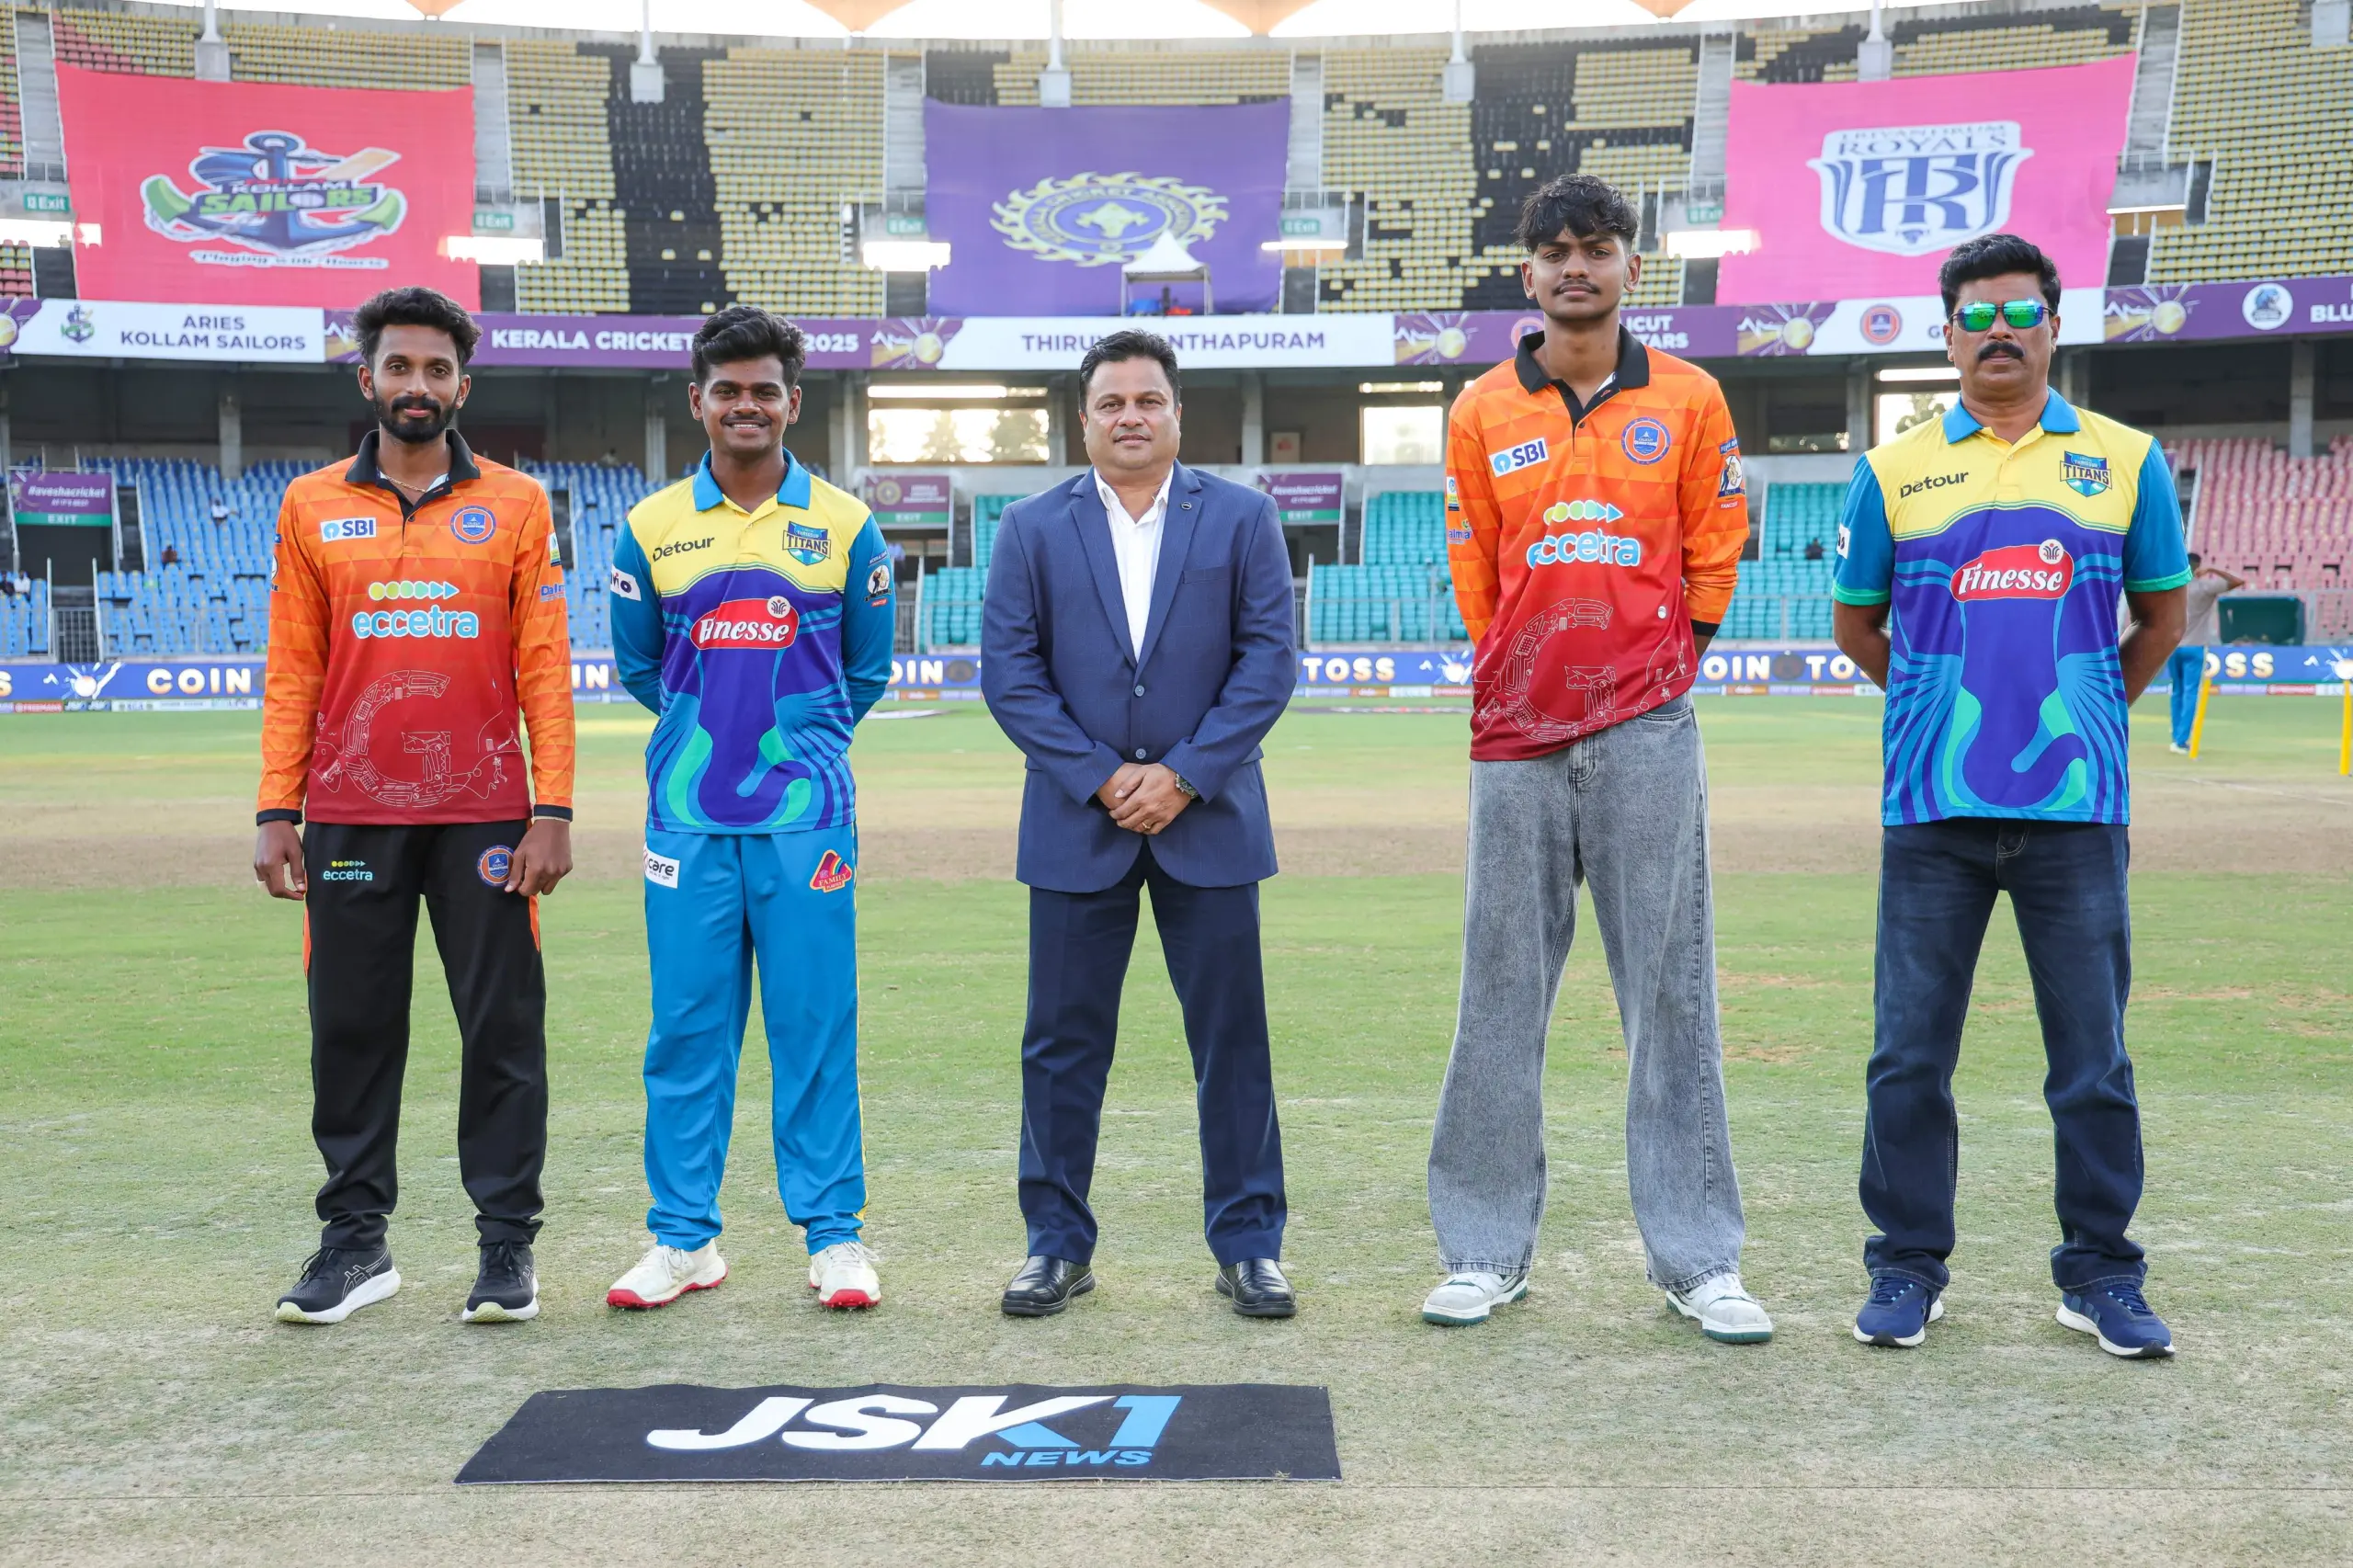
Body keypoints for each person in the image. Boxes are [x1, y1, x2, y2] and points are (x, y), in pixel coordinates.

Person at [1424, 173, 1768, 1346]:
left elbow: (1716, 546)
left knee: (1670, 989)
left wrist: (1656, 672)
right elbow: (1476, 567)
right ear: (1527, 272)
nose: (1577, 267)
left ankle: (1699, 1258)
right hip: (1515, 732)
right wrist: (1523, 675)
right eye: (1556, 251)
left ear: (1630, 264)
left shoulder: (1690, 396)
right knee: (1497, 990)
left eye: (1598, 247)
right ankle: (1480, 1251)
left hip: (1646, 729)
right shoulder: (1480, 408)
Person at [1831, 233, 2188, 1358]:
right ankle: (1905, 1264)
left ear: (2052, 326)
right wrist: (1933, 707)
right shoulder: (1892, 469)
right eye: (1977, 315)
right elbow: (1856, 624)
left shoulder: (2125, 459)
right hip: (1930, 814)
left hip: (2076, 815)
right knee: (1907, 1056)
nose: (1999, 331)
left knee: (2093, 1061)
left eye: (2020, 313)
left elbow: (2162, 618)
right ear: (1947, 335)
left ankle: (2100, 1271)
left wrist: (2089, 713)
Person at [254, 285, 575, 1327]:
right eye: (400, 366)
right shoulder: (310, 505)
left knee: (501, 1030)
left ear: (462, 387)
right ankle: (357, 1244)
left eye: (438, 369)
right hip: (351, 810)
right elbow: (294, 668)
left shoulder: (518, 504)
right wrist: (276, 807)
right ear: (368, 378)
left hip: (487, 816)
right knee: (350, 1029)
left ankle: (506, 1244)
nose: (418, 385)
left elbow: (544, 666)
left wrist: (554, 806)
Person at [981, 329, 1298, 1319]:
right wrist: (1104, 778)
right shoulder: (1029, 527)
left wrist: (1186, 776)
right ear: (1083, 420)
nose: (1131, 416)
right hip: (1077, 827)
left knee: (1231, 1044)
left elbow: (1267, 663)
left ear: (1176, 413)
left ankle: (1249, 1246)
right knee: (1060, 1047)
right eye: (1111, 402)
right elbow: (1011, 676)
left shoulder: (1243, 517)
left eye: (1147, 400)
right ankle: (1054, 1245)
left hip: (1212, 822)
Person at [603, 307, 895, 1313]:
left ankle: (835, 1237)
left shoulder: (846, 526)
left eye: (763, 389)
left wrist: (791, 750)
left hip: (806, 822)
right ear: (698, 401)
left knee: (814, 1026)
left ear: (791, 402)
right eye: (726, 389)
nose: (745, 405)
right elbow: (643, 667)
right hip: (686, 820)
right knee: (687, 1031)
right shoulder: (650, 527)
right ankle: (684, 1238)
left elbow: (865, 672)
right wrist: (712, 742)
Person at [2166, 553, 2245, 753]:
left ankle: (2175, 735)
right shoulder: (2204, 587)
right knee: (2190, 692)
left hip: (2172, 646)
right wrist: (2212, 570)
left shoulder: (2172, 588)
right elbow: (2238, 581)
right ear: (2198, 566)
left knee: (2177, 691)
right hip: (2195, 645)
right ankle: (2181, 740)